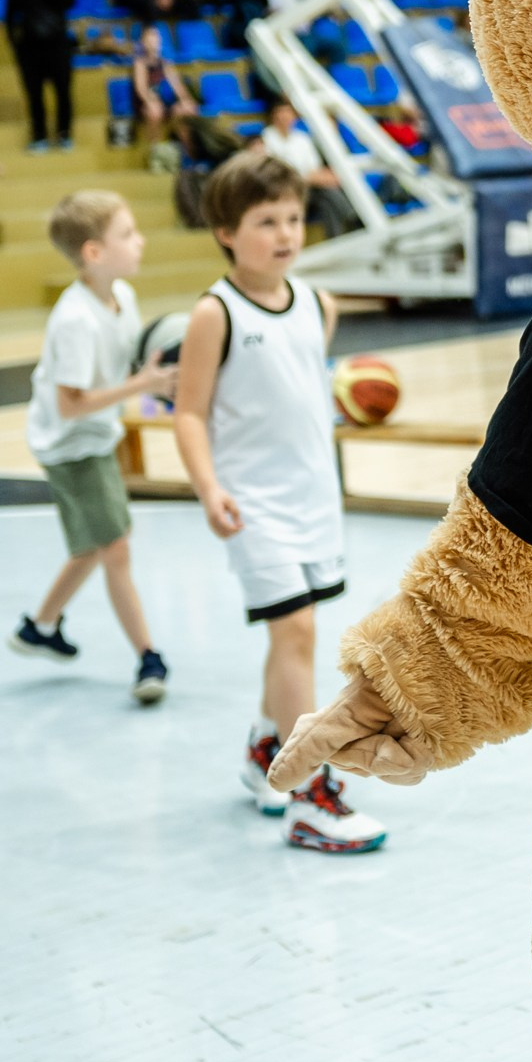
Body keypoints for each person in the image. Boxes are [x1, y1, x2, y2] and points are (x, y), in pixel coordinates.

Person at [169, 152, 387, 853]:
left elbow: (298, 393)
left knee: (292, 633)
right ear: (227, 232)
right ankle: (308, 793)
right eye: (266, 221)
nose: (286, 232)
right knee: (296, 634)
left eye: (292, 217)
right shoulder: (214, 313)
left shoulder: (316, 303)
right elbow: (189, 413)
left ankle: (267, 749)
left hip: (313, 500)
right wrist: (209, 486)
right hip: (254, 505)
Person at [8, 191, 174, 705]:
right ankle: (148, 657)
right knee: (116, 546)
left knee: (90, 547)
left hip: (94, 436)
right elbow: (72, 404)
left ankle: (39, 625)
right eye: (127, 233)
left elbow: (124, 370)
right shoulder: (75, 320)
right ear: (94, 252)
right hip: (72, 445)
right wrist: (144, 385)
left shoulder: (122, 296)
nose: (140, 240)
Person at [7, 0, 77, 153]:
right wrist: (15, 46)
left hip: (58, 45)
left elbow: (69, 1)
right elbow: (10, 14)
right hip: (30, 47)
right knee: (34, 94)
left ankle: (64, 134)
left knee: (63, 92)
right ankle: (39, 136)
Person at [256, 98, 357, 234]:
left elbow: (314, 168)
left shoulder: (302, 138)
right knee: (327, 192)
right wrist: (308, 178)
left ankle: (338, 238)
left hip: (310, 189)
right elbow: (275, 173)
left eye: (288, 113)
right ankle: (353, 218)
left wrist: (319, 177)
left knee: (326, 200)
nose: (285, 117)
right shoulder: (266, 138)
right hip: (284, 190)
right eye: (281, 113)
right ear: (274, 115)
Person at [129, 24, 197, 149]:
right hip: (144, 103)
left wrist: (186, 100)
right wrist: (150, 101)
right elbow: (141, 89)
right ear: (143, 42)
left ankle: (188, 150)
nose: (153, 40)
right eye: (149, 37)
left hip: (164, 102)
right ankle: (155, 149)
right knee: (155, 111)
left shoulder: (165, 63)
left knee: (187, 109)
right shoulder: (140, 63)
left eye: (155, 36)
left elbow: (177, 85)